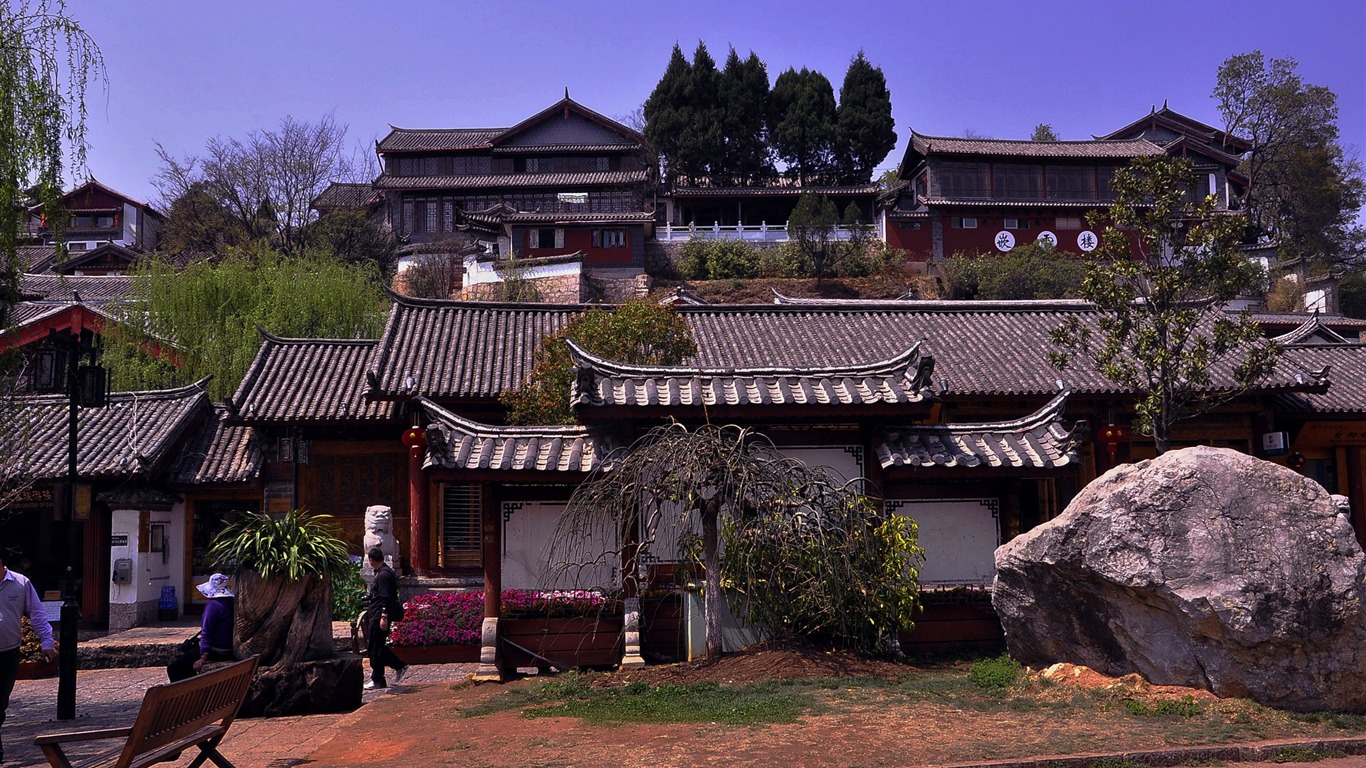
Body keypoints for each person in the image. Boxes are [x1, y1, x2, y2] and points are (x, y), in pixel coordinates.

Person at [1, 554, 55, 764]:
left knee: (0, 703)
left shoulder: (20, 583)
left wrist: (47, 641)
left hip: (8, 652)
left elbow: (37, 613)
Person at [166, 573, 235, 682]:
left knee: (174, 668)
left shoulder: (213, 606)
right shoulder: (232, 603)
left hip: (215, 649)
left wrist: (203, 658)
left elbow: (206, 632)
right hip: (228, 647)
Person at [363, 547, 408, 689]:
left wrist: (383, 616)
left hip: (379, 616)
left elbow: (385, 598)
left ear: (371, 560)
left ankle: (379, 678)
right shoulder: (383, 572)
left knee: (375, 648)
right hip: (376, 614)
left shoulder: (383, 575)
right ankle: (393, 669)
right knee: (377, 647)